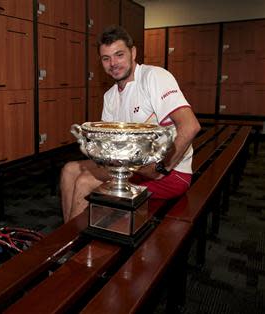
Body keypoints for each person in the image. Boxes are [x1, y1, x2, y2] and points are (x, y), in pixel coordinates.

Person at [61, 26, 201, 223]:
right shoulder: (110, 96)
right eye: (106, 58)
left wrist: (161, 168)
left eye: (119, 55)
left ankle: (77, 249)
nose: (113, 63)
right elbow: (111, 145)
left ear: (133, 52)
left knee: (85, 182)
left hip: (171, 174)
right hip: (131, 167)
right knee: (69, 170)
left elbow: (190, 126)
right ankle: (67, 238)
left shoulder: (153, 77)